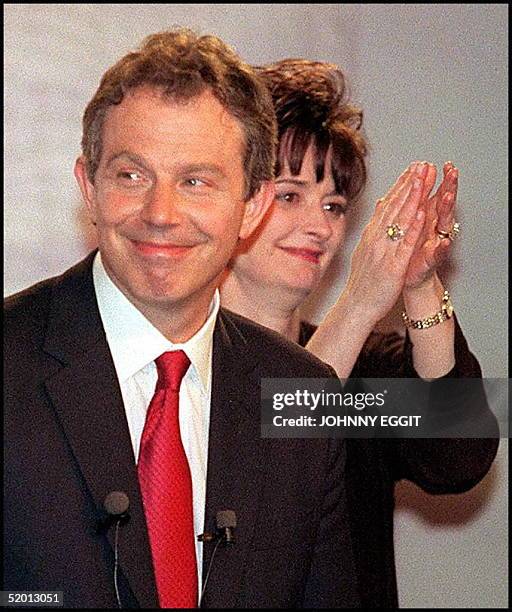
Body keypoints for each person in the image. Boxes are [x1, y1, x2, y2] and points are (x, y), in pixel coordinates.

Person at [3, 33, 361, 608]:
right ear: (87, 188)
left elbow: (465, 439)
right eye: (131, 176)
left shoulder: (307, 397)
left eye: (195, 181)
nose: (162, 214)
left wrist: (411, 299)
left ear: (250, 206)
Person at [220, 59, 499, 608]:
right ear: (237, 201)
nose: (320, 226)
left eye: (334, 205)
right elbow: (260, 461)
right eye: (290, 195)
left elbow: (460, 460)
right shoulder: (179, 362)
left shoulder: (365, 371)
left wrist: (418, 284)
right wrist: (364, 299)